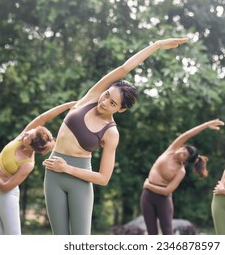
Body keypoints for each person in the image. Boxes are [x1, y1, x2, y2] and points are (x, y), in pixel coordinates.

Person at [42, 37, 188, 235]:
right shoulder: (92, 96)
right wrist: (156, 45)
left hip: (79, 178)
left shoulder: (111, 132)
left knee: (79, 241)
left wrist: (67, 168)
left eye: (113, 104)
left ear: (121, 110)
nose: (105, 103)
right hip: (53, 175)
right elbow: (124, 68)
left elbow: (103, 178)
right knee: (59, 239)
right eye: (107, 95)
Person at [0, 101, 76, 235]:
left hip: (6, 196)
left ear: (31, 147)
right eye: (29, 132)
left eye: (28, 136)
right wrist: (67, 106)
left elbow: (6, 187)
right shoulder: (22, 138)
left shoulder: (28, 164)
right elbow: (42, 118)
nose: (25, 134)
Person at [140, 119, 225, 235]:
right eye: (183, 149)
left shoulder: (180, 171)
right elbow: (187, 134)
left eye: (184, 155)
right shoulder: (171, 150)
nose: (180, 152)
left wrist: (148, 185)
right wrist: (206, 125)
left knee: (167, 233)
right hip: (147, 197)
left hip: (162, 200)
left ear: (185, 160)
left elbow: (167, 191)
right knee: (152, 233)